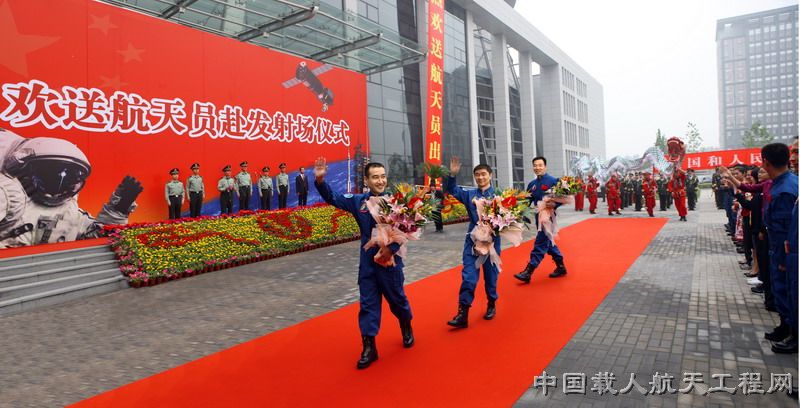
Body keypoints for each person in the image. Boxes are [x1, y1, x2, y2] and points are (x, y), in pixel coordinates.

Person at [313, 157, 414, 369]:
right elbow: (333, 197)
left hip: (391, 263)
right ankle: (369, 347)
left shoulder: (397, 202)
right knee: (368, 304)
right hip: (368, 264)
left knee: (397, 300)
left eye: (383, 176)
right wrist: (321, 181)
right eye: (375, 177)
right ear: (366, 180)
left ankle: (406, 326)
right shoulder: (358, 201)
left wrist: (391, 249)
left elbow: (406, 230)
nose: (380, 181)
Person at [0, 130, 142, 248]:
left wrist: (117, 210)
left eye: (68, 178)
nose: (59, 183)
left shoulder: (69, 212)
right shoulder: (10, 196)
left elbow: (100, 238)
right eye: (51, 175)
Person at [445, 157, 500, 328]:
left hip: (492, 244)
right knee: (468, 277)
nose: (480, 177)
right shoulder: (469, 194)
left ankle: (491, 303)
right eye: (477, 175)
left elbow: (510, 218)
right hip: (472, 243)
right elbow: (451, 190)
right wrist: (452, 175)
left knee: (491, 278)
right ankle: (463, 313)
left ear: (490, 175)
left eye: (483, 174)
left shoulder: (499, 196)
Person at [760, 143, 798, 354]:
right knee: (781, 290)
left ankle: (793, 333)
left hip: (786, 250)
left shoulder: (785, 189)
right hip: (779, 246)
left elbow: (786, 229)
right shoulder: (786, 182)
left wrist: (783, 259)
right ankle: (785, 327)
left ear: (766, 162)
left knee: (786, 291)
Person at [514, 156, 568, 284]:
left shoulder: (553, 181)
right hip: (538, 217)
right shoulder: (532, 184)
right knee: (548, 243)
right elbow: (527, 200)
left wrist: (554, 204)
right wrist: (517, 211)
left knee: (540, 243)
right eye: (535, 165)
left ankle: (528, 271)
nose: (537, 168)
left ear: (545, 166)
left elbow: (563, 196)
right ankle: (561, 267)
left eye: (540, 165)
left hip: (548, 218)